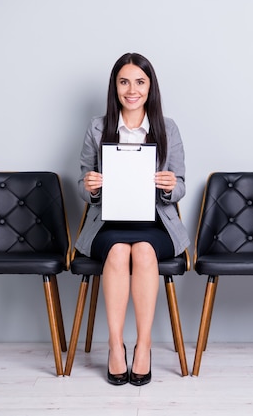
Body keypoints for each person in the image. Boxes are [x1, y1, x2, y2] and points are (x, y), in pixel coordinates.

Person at [74, 53, 190, 386]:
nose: (132, 90)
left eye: (139, 82)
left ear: (150, 87)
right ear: (115, 87)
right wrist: (90, 187)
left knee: (142, 251)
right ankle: (114, 345)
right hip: (108, 223)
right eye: (124, 82)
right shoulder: (98, 127)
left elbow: (180, 183)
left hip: (156, 223)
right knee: (119, 252)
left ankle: (144, 345)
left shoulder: (167, 128)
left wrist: (170, 186)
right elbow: (84, 177)